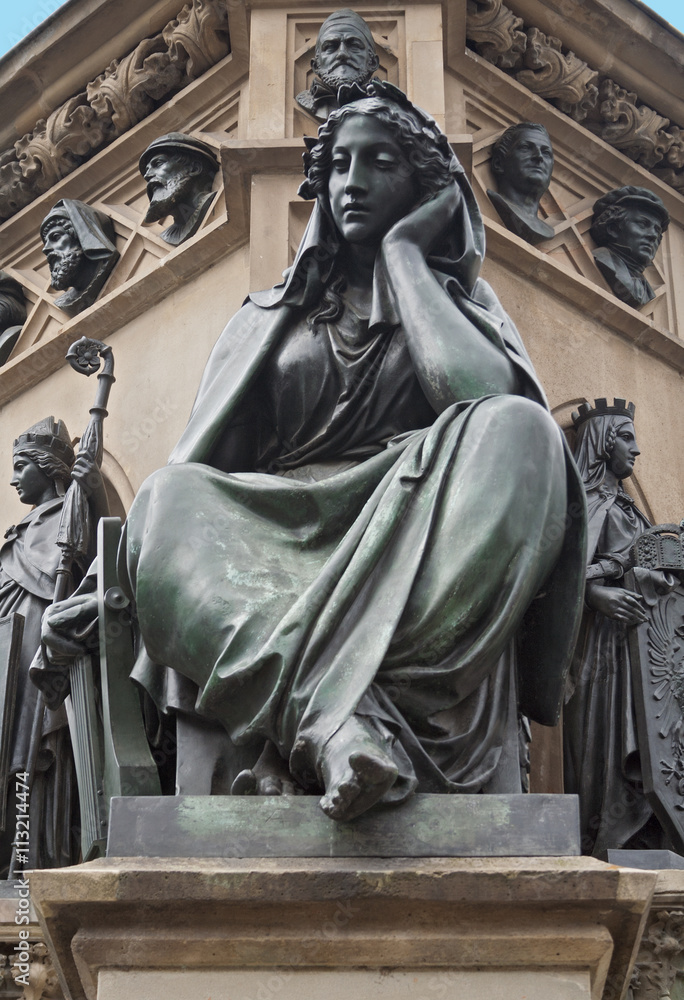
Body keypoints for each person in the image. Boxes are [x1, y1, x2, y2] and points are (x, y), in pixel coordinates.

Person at [43, 82, 585, 823]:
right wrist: (102, 581)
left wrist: (404, 257)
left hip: (418, 521)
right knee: (168, 495)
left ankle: (336, 713)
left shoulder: (464, 309)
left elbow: (482, 400)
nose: (352, 182)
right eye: (338, 165)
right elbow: (203, 462)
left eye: (381, 163)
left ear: (425, 188)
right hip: (275, 531)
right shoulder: (267, 317)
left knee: (525, 431)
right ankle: (335, 719)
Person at [563, 398, 674, 856]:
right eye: (626, 437)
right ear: (603, 443)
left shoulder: (633, 512)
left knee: (657, 740)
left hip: (649, 649)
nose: (637, 449)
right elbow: (555, 574)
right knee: (614, 743)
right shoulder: (585, 505)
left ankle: (655, 835)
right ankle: (609, 838)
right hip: (603, 648)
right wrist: (594, 595)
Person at [0, 419, 79, 874]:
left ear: (47, 468)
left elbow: (81, 574)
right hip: (7, 648)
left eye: (20, 467)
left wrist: (89, 493)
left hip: (36, 641)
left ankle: (31, 854)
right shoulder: (24, 527)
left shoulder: (71, 512)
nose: (13, 479)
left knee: (30, 749)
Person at [590, 186, 669, 308]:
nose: (653, 235)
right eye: (643, 224)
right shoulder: (604, 259)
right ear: (613, 228)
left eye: (657, 231)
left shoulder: (645, 289)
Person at [296, 9, 380, 121]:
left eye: (354, 45)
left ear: (373, 62)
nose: (342, 54)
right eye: (330, 47)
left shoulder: (391, 107)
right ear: (315, 66)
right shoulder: (306, 102)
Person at [40, 200, 119, 317]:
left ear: (82, 236)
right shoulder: (64, 301)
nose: (45, 249)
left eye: (56, 237)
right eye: (46, 242)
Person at [140, 133, 219, 246]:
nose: (147, 176)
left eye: (158, 163)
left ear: (194, 168)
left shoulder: (219, 202)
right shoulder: (168, 236)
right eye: (147, 170)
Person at [487, 123, 554, 245]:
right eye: (525, 147)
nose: (539, 156)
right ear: (498, 163)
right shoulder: (490, 203)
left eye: (546, 152)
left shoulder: (547, 230)